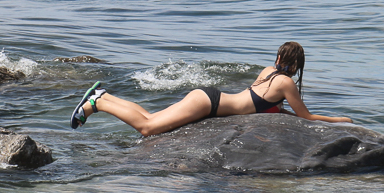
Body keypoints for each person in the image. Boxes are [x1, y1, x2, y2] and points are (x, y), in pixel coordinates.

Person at [70, 41, 353, 136]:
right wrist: (340, 120)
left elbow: (271, 109)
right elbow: (306, 117)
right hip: (209, 104)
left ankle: (103, 96)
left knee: (150, 117)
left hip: (209, 98)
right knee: (147, 128)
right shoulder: (286, 82)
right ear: (297, 65)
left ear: (279, 57)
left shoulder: (269, 72)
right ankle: (97, 104)